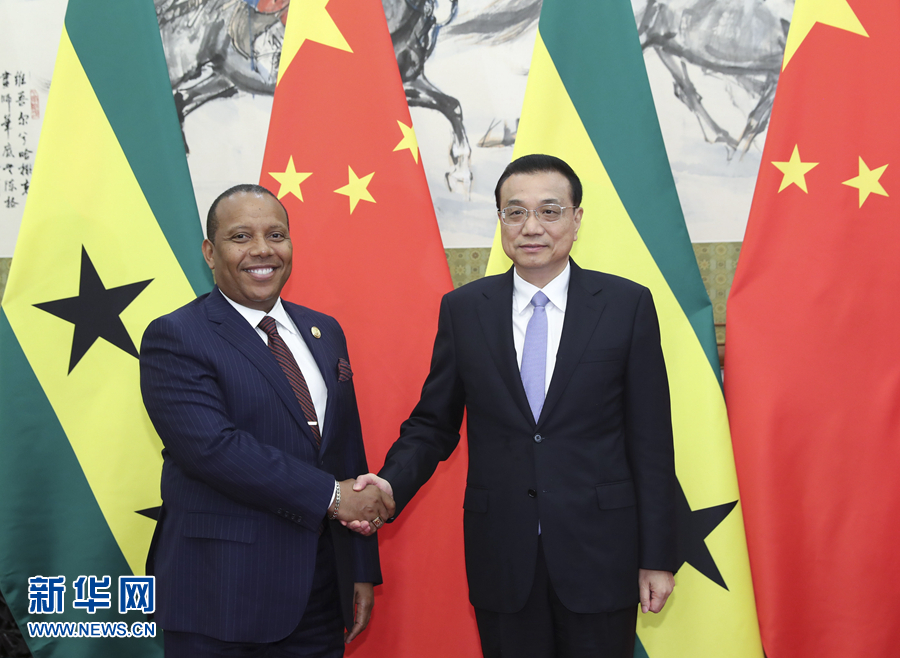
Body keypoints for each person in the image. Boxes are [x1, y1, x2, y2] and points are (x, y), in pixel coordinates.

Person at [353, 155, 678, 657]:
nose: (532, 227)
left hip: (601, 552)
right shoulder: (464, 310)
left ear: (576, 218)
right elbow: (433, 423)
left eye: (550, 211)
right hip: (502, 552)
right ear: (500, 219)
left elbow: (651, 441)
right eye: (516, 212)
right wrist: (390, 484)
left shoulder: (625, 305)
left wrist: (657, 557)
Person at [139, 184, 394, 657]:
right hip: (220, 595)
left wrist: (359, 567)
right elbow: (214, 450)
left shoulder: (324, 330)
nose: (262, 250)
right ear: (209, 252)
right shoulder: (176, 336)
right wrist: (335, 497)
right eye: (241, 237)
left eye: (276, 235)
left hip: (319, 593)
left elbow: (345, 451)